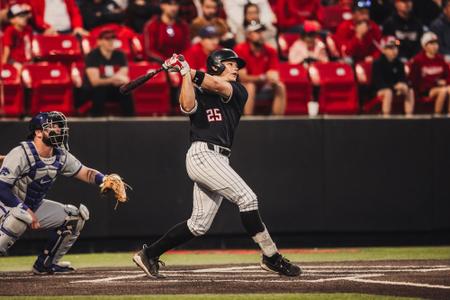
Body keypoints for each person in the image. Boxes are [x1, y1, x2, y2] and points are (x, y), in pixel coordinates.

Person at [132, 49, 301, 278]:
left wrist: (186, 69)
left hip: (219, 158)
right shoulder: (197, 87)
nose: (236, 69)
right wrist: (185, 75)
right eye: (230, 64)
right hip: (202, 153)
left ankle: (149, 254)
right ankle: (272, 257)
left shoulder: (238, 91)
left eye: (236, 65)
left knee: (198, 224)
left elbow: (218, 86)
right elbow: (187, 106)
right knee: (247, 198)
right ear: (216, 65)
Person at [0, 111, 124, 274]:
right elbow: (1, 188)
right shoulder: (21, 154)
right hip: (7, 206)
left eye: (59, 127)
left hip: (33, 206)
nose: (58, 130)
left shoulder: (60, 155)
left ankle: (46, 264)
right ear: (38, 132)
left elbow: (85, 172)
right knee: (18, 218)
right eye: (52, 127)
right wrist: (23, 209)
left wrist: (104, 179)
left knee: (74, 217)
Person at [234, 21, 286, 115]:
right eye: (257, 32)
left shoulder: (270, 50)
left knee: (280, 86)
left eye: (261, 32)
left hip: (263, 85)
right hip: (244, 85)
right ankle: (249, 122)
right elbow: (243, 77)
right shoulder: (240, 49)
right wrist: (262, 78)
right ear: (249, 35)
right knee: (250, 86)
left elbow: (273, 73)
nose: (261, 35)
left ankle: (277, 122)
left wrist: (273, 79)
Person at [84, 29, 134, 116]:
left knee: (126, 91)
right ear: (99, 42)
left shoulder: (120, 55)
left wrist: (113, 79)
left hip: (114, 88)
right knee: (100, 91)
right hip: (95, 89)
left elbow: (124, 78)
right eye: (107, 39)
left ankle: (130, 121)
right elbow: (94, 81)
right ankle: (95, 122)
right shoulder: (92, 56)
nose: (111, 42)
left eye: (113, 39)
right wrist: (114, 79)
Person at [371, 36, 414, 116]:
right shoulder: (377, 64)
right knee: (388, 92)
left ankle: (409, 115)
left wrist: (403, 85)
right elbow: (378, 83)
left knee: (409, 90)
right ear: (383, 50)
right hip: (380, 90)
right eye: (390, 48)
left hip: (395, 88)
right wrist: (394, 87)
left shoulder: (400, 64)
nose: (394, 50)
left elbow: (403, 78)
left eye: (395, 48)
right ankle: (386, 117)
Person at [409, 31, 450, 114]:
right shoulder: (418, 60)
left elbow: (448, 75)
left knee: (446, 90)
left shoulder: (441, 59)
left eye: (436, 43)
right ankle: (437, 117)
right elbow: (414, 79)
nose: (435, 46)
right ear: (424, 46)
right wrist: (433, 83)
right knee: (443, 91)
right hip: (425, 91)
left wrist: (445, 81)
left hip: (441, 87)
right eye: (431, 44)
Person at [1, 4, 33, 70]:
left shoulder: (28, 30)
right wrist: (3, 65)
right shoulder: (10, 30)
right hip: (13, 61)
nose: (24, 18)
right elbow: (7, 49)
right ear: (12, 20)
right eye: (21, 16)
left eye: (25, 15)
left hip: (27, 60)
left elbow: (30, 47)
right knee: (21, 69)